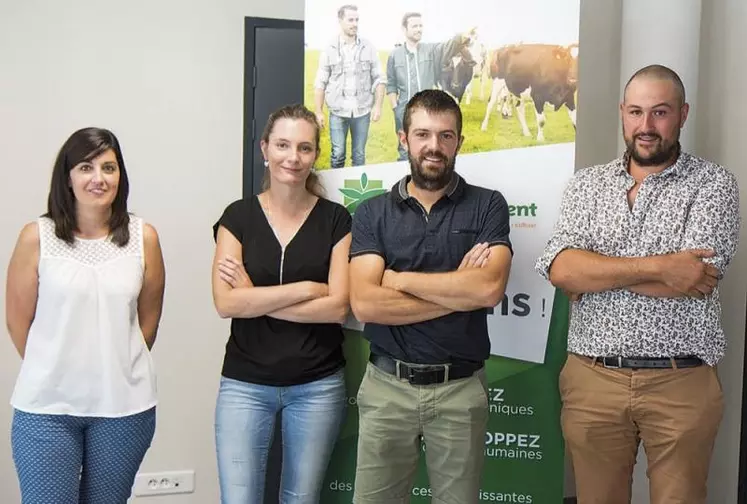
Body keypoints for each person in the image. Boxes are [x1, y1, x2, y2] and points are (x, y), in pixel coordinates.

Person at [535, 64, 740, 504]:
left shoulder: (714, 183)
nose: (645, 126)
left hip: (680, 381)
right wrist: (662, 266)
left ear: (683, 114)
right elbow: (562, 270)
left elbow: (693, 278)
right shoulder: (586, 185)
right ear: (622, 113)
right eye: (635, 112)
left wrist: (596, 273)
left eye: (660, 112)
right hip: (593, 379)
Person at [348, 89, 513, 504]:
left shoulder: (488, 206)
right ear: (404, 139)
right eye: (422, 134)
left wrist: (399, 279)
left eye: (445, 136)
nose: (433, 147)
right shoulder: (371, 212)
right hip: (387, 388)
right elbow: (366, 304)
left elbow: (489, 288)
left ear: (459, 141)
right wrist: (457, 288)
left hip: (459, 389)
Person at [6, 127, 165, 503]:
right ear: (68, 177)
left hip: (123, 408)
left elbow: (148, 323)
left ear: (120, 176)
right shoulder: (37, 237)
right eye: (85, 167)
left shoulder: (145, 239)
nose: (98, 178)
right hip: (47, 409)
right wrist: (56, 367)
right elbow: (17, 322)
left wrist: (115, 364)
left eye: (108, 168)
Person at [211, 103, 352, 504]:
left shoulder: (337, 220)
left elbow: (338, 308)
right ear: (264, 149)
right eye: (283, 145)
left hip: (317, 385)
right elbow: (225, 303)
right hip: (245, 384)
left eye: (304, 148)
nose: (293, 157)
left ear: (316, 155)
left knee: (301, 500)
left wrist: (253, 296)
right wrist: (309, 287)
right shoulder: (236, 218)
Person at [386, 13, 475, 161]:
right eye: (415, 26)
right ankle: (405, 182)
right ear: (404, 29)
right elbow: (391, 84)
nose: (419, 29)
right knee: (404, 152)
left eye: (421, 26)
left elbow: (449, 46)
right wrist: (396, 109)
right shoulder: (395, 55)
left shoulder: (431, 51)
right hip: (404, 111)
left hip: (428, 112)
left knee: (426, 152)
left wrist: (462, 36)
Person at [313, 4, 385, 168]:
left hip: (362, 112)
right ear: (340, 21)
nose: (354, 23)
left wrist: (378, 106)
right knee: (337, 155)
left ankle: (358, 193)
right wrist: (318, 111)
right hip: (338, 112)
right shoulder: (330, 48)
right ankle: (334, 193)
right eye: (350, 20)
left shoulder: (369, 47)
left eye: (357, 20)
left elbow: (379, 78)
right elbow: (320, 82)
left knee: (359, 156)